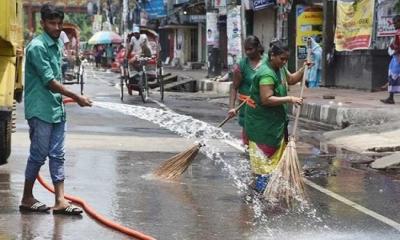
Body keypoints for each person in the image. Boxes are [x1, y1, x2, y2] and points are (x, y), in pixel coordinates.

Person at [20, 4, 92, 215]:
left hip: (56, 108)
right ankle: (26, 197)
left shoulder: (56, 43)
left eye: (59, 23)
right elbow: (49, 81)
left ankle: (60, 201)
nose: (56, 27)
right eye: (52, 23)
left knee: (58, 155)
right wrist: (76, 97)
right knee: (38, 155)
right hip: (40, 109)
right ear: (42, 23)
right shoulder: (37, 47)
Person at [244, 40, 307, 193]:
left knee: (272, 165)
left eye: (286, 59)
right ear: (272, 55)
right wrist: (290, 99)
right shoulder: (266, 73)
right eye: (282, 59)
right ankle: (259, 196)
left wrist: (304, 69)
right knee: (264, 167)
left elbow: (291, 79)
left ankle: (267, 193)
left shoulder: (280, 68)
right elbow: (266, 99)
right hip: (262, 127)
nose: (284, 62)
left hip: (275, 124)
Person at [228, 36, 267, 145]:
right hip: (247, 109)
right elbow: (234, 87)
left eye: (250, 49)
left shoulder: (268, 62)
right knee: (248, 142)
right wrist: (232, 107)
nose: (248, 52)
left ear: (258, 47)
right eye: (246, 49)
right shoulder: (242, 65)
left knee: (263, 141)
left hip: (263, 108)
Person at [381, 15, 400, 104]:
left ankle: (391, 97)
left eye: (395, 23)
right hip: (396, 57)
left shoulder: (398, 33)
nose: (394, 25)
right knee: (392, 75)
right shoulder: (398, 32)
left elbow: (397, 46)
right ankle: (391, 97)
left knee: (394, 75)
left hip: (398, 57)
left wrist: (394, 47)